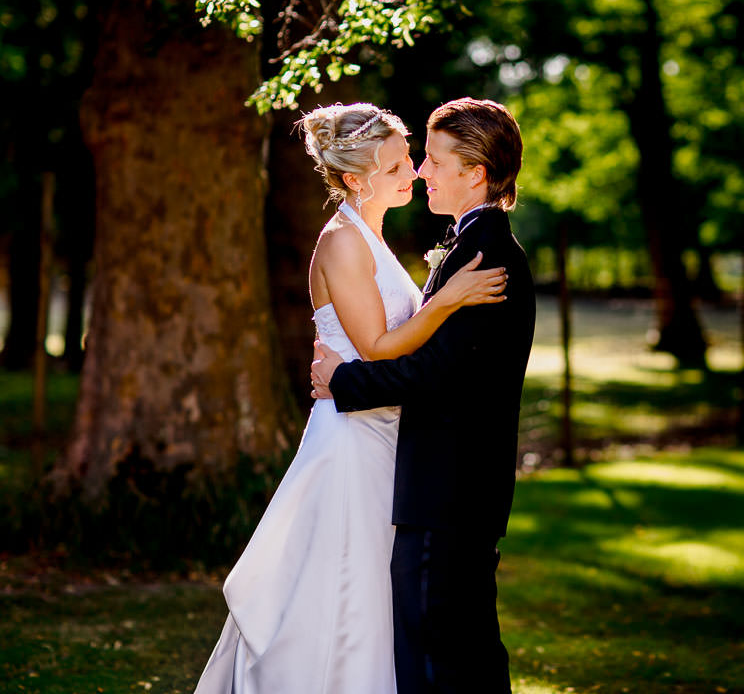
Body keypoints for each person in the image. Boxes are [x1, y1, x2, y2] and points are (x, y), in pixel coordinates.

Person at [194, 103, 508, 694]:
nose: (412, 173)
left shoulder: (374, 239)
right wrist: (447, 300)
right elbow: (379, 346)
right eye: (394, 167)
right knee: (342, 588)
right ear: (355, 180)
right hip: (351, 439)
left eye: (409, 161)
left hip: (388, 436)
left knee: (377, 596)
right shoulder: (341, 242)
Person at [310, 97, 535, 694]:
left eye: (433, 160)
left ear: (476, 173)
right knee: (455, 651)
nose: (421, 172)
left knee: (441, 660)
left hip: (449, 491)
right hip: (450, 489)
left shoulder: (485, 256)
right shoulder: (471, 247)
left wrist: (343, 382)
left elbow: (435, 372)